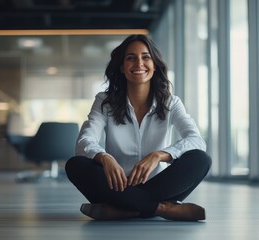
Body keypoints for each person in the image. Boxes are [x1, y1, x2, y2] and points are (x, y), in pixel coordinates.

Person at [65, 34, 212, 221]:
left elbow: (197, 140)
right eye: (130, 58)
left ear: (154, 65)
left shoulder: (171, 103)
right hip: (115, 187)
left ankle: (123, 210)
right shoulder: (105, 101)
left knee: (201, 159)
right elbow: (85, 141)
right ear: (121, 67)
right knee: (75, 164)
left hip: (161, 187)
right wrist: (104, 157)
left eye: (146, 57)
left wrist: (159, 155)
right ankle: (160, 208)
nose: (139, 63)